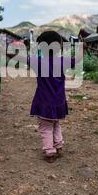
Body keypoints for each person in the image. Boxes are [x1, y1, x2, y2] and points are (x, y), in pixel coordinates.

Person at [28, 31, 82, 163]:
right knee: (56, 123)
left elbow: (17, 57)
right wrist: (82, 47)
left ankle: (49, 152)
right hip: (59, 102)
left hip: (44, 102)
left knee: (45, 127)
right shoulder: (63, 61)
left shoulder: (37, 62)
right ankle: (59, 146)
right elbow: (79, 58)